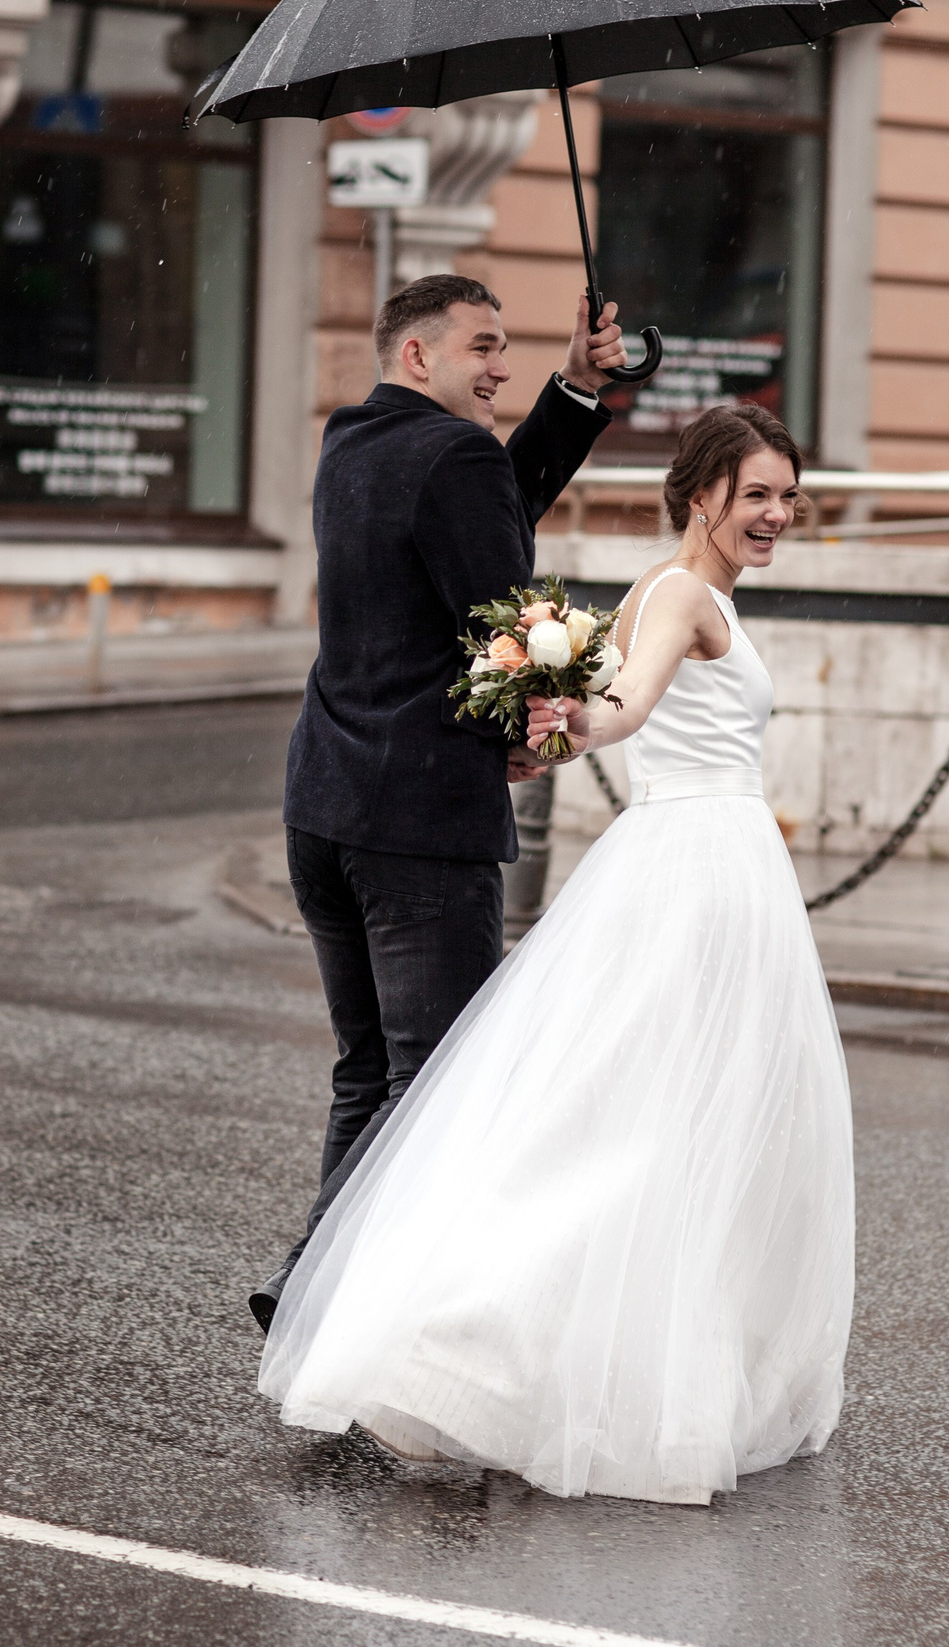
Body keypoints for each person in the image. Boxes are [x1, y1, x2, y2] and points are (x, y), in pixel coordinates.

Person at [259, 404, 855, 1506]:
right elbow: (624, 706)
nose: (777, 514)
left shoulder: (667, 590)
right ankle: (498, 1348)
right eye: (757, 494)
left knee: (649, 1117)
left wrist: (554, 706)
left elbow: (609, 694)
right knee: (665, 1125)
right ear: (700, 494)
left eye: (787, 494)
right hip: (698, 866)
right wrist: (568, 720)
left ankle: (648, 1353)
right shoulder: (679, 595)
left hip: (699, 864)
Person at [250, 274, 627, 1331]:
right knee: (437, 1083)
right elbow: (498, 609)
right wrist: (526, 727)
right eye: (483, 348)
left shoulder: (352, 441)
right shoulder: (452, 456)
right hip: (417, 825)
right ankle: (316, 1279)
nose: (499, 367)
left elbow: (476, 509)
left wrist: (572, 389)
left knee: (370, 1071)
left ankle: (329, 1308)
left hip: (324, 800)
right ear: (420, 357)